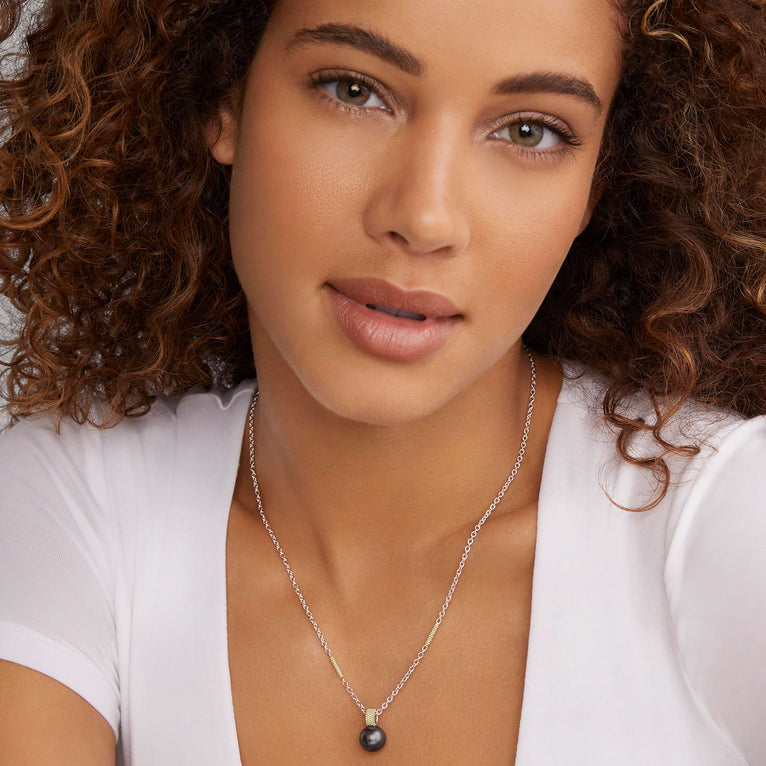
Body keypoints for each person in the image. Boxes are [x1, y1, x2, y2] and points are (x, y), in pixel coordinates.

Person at [0, 0, 764, 763]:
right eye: (355, 90)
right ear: (224, 97)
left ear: (595, 184)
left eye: (531, 131)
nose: (425, 218)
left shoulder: (721, 515)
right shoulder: (73, 504)